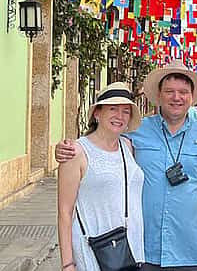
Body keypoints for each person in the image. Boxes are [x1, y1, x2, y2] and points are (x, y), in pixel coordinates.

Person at [56, 60, 197, 271]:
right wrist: (66, 148)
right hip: (144, 252)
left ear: (192, 97)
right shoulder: (135, 133)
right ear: (158, 96)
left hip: (195, 251)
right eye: (169, 91)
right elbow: (101, 143)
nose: (176, 97)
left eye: (183, 92)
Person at [57, 82, 145, 271]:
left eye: (125, 111)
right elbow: (65, 212)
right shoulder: (76, 152)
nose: (119, 116)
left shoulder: (128, 146)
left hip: (129, 248)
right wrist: (67, 263)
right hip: (95, 248)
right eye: (113, 109)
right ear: (97, 113)